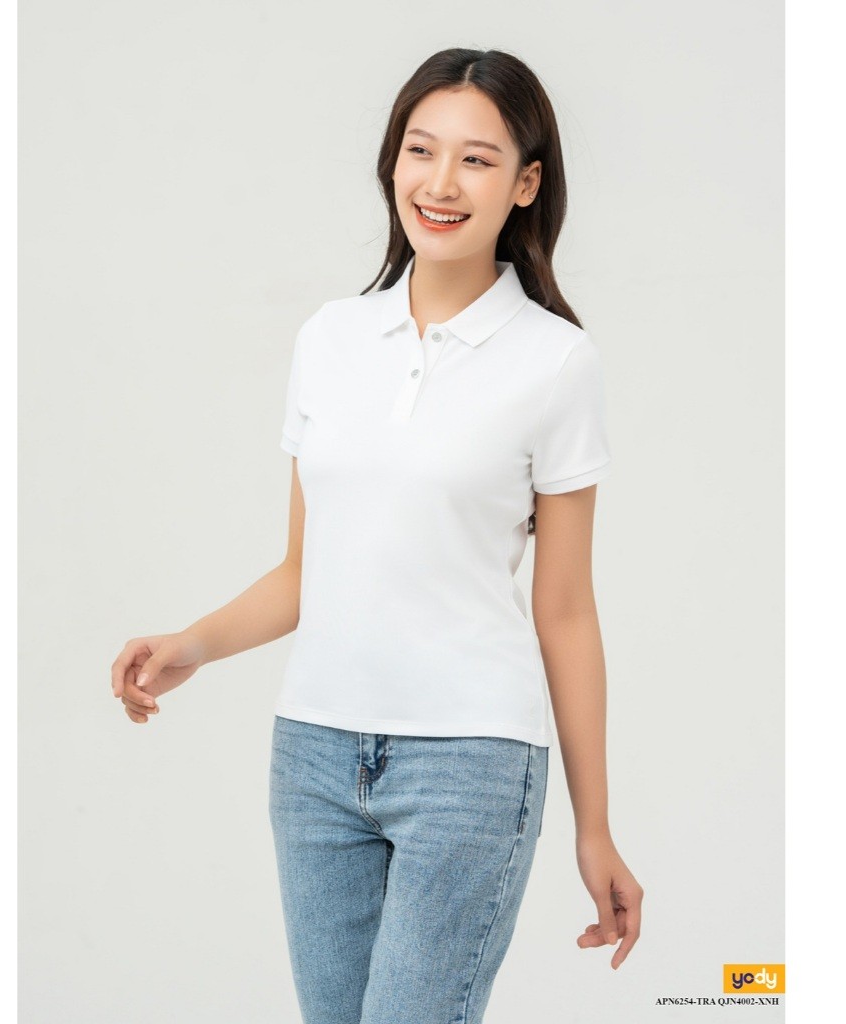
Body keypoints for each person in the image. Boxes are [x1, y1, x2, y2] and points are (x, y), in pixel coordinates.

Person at [110, 47, 643, 1024]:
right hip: (313, 754)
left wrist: (593, 826)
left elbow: (565, 610)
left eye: (477, 160)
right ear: (392, 162)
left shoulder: (557, 363)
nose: (441, 183)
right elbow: (305, 569)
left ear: (526, 184)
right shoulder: (330, 339)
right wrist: (191, 643)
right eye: (420, 150)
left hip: (470, 764)